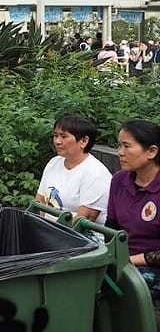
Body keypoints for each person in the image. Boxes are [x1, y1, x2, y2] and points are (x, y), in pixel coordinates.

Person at [107, 120, 160, 298]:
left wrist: (128, 261)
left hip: (151, 267)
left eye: (127, 146)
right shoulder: (119, 180)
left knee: (126, 285)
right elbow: (111, 227)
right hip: (122, 260)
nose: (120, 153)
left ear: (152, 151)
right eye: (119, 145)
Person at [35, 116, 111, 223]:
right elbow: (40, 202)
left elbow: (82, 221)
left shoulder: (96, 173)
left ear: (84, 141)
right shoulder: (54, 163)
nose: (57, 141)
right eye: (55, 135)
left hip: (77, 236)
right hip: (47, 230)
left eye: (64, 136)